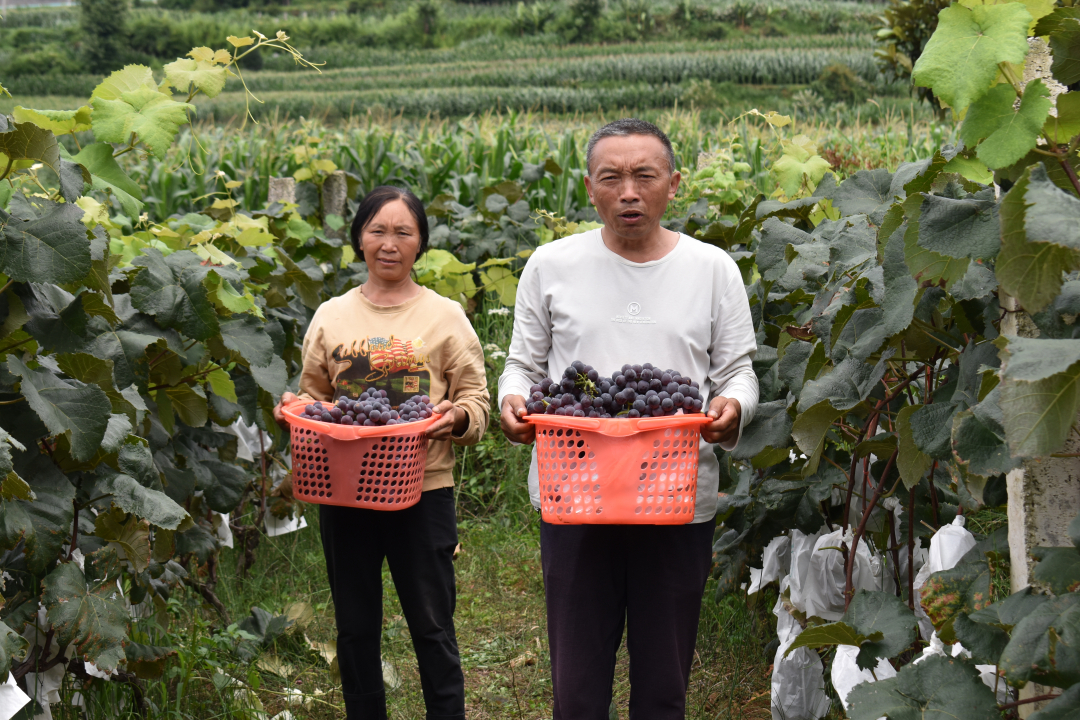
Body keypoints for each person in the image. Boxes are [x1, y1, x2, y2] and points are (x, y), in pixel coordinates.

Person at [498, 118, 759, 719]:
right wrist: (512, 401)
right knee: (578, 685)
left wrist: (733, 407)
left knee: (664, 683)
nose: (629, 191)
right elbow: (522, 365)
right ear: (589, 187)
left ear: (673, 183)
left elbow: (738, 372)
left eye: (644, 175)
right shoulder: (551, 264)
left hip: (674, 494)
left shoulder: (712, 268)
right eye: (612, 177)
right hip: (576, 491)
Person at [274, 185, 490, 720]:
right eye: (377, 230)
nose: (388, 243)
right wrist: (296, 408)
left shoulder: (445, 317)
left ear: (420, 243)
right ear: (359, 239)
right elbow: (316, 401)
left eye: (403, 232)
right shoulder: (331, 316)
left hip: (423, 492)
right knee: (355, 628)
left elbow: (476, 402)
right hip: (345, 493)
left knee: (433, 627)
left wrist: (453, 419)